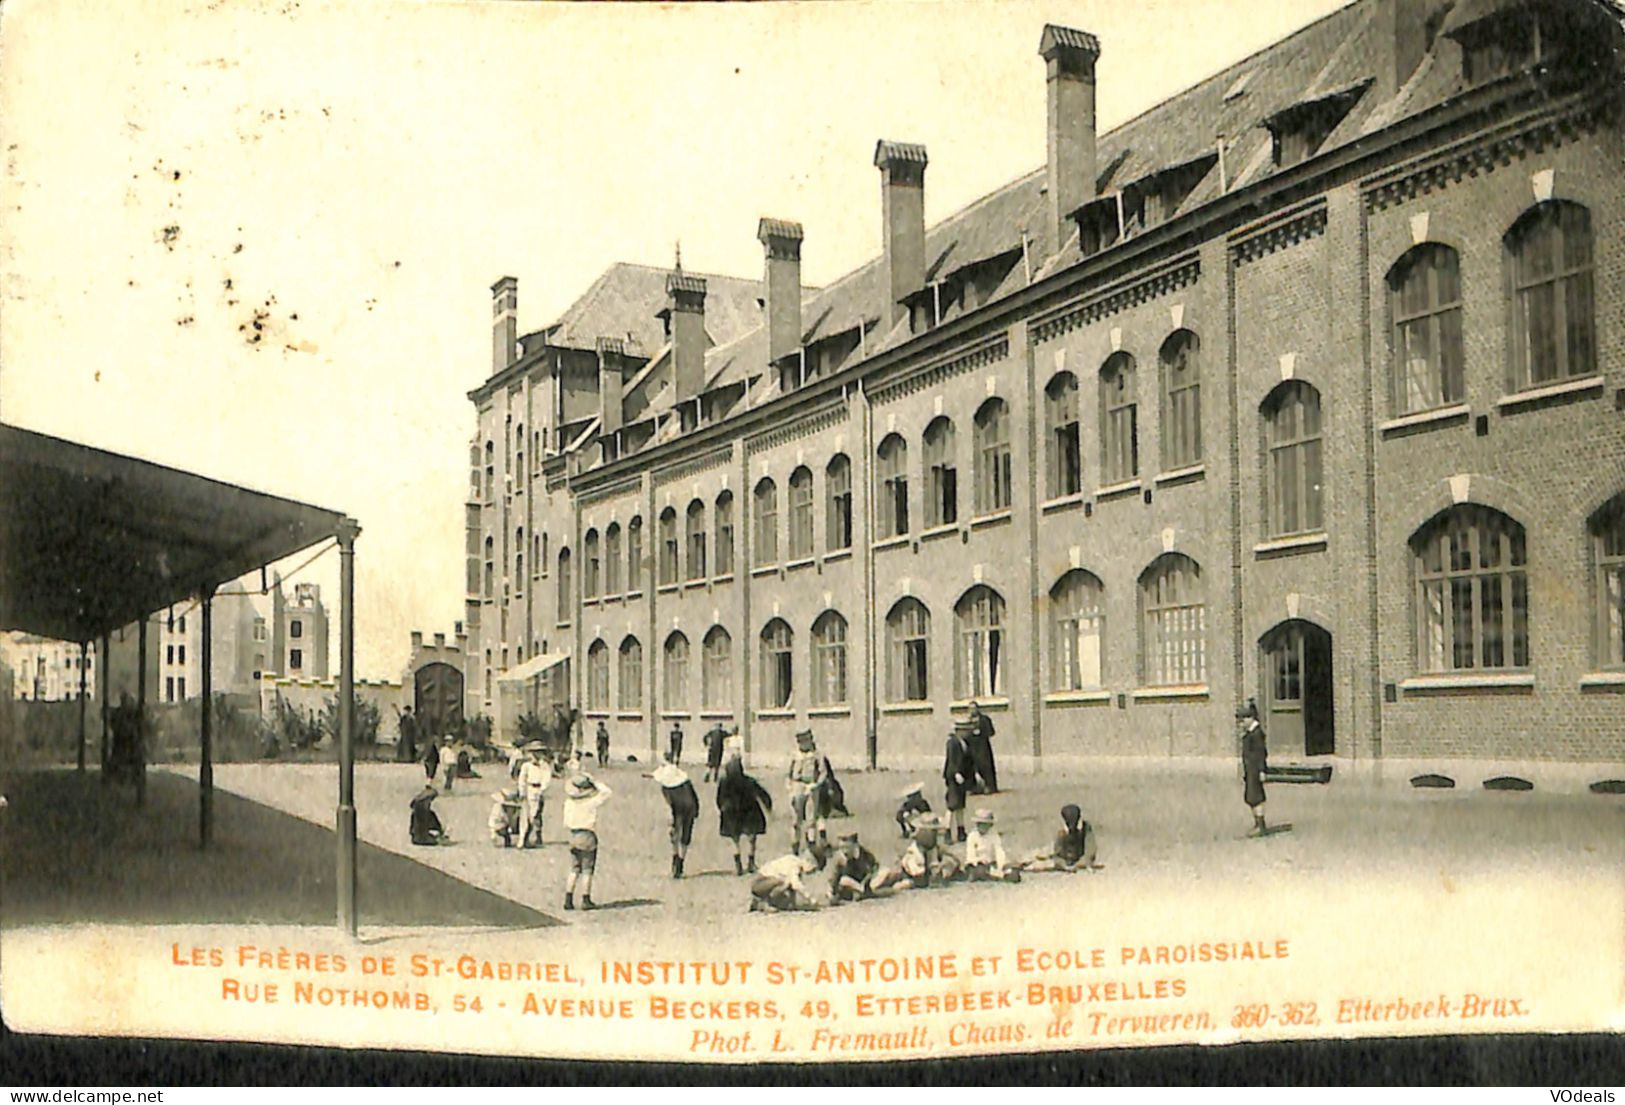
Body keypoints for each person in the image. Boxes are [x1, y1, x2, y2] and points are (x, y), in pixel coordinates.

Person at [561, 772, 612, 911]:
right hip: (587, 835)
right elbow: (607, 792)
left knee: (574, 869)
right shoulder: (591, 802)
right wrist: (594, 780)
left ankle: (568, 899)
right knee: (587, 869)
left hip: (573, 835)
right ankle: (585, 899)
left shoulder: (568, 802)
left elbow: (565, 822)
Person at [645, 752, 700, 878]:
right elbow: (694, 796)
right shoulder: (684, 779)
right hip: (689, 807)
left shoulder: (666, 788)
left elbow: (668, 804)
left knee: (674, 833)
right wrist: (697, 810)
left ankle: (675, 858)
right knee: (686, 835)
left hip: (677, 808)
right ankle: (680, 862)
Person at [717, 754, 773, 875]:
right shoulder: (748, 781)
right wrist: (769, 807)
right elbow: (762, 794)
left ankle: (738, 865)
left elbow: (719, 798)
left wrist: (722, 809)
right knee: (751, 837)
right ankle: (751, 862)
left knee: (734, 839)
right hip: (749, 811)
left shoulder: (724, 782)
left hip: (731, 812)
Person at [786, 730, 828, 855]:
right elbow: (788, 772)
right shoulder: (794, 755)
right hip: (797, 785)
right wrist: (789, 786)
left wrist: (816, 784)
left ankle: (811, 849)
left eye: (805, 741)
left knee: (811, 820)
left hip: (811, 786)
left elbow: (823, 772)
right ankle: (795, 849)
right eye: (800, 742)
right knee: (795, 820)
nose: (803, 745)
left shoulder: (817, 754)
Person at [1026, 803, 1100, 872]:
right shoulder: (1061, 831)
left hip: (1072, 860)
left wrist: (1078, 865)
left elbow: (1090, 852)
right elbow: (1056, 852)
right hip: (1059, 857)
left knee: (1040, 864)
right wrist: (1064, 865)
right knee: (1036, 855)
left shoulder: (1085, 828)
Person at [828, 830, 890, 903]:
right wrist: (830, 893)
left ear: (855, 845)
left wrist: (870, 879)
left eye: (847, 847)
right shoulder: (840, 859)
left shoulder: (865, 855)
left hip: (867, 883)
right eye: (841, 848)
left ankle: (866, 892)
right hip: (850, 886)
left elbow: (874, 869)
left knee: (885, 872)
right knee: (844, 880)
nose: (844, 851)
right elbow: (833, 879)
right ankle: (863, 893)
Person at [749, 852, 822, 913]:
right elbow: (796, 885)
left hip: (764, 882)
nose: (812, 872)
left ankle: (767, 902)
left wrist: (792, 904)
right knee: (783, 882)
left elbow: (793, 888)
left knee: (786, 884)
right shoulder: (794, 864)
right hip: (760, 883)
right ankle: (764, 903)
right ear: (807, 861)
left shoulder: (795, 865)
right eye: (813, 869)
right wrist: (810, 898)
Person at [963, 808, 1021, 882]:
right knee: (979, 871)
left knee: (1012, 872)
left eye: (986, 825)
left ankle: (1001, 875)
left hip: (990, 864)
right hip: (975, 865)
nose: (984, 827)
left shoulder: (993, 835)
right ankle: (994, 875)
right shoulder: (972, 836)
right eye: (981, 824)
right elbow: (970, 856)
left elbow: (999, 851)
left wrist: (1001, 865)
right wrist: (979, 860)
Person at [1239, 699, 1270, 836]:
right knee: (1250, 796)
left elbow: (1261, 753)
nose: (1242, 723)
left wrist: (1262, 770)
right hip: (1249, 769)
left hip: (1255, 769)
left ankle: (1261, 825)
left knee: (1256, 796)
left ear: (1251, 718)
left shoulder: (1256, 734)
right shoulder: (1249, 733)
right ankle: (1257, 823)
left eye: (1244, 719)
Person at [942, 719, 974, 843]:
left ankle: (961, 830)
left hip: (962, 778)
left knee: (960, 806)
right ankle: (947, 831)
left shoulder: (964, 743)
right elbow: (951, 761)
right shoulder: (952, 743)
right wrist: (956, 773)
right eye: (965, 730)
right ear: (959, 730)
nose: (968, 732)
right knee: (952, 806)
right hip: (954, 778)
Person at [518, 741, 553, 848]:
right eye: (534, 752)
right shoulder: (526, 766)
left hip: (539, 790)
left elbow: (547, 778)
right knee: (527, 815)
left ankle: (537, 836)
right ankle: (524, 838)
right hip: (529, 789)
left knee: (537, 814)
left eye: (539, 752)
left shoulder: (545, 766)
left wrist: (542, 789)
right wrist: (522, 791)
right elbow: (522, 779)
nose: (536, 755)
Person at [966, 700, 999, 794]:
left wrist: (982, 733)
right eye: (970, 709)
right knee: (971, 767)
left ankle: (990, 786)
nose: (972, 711)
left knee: (986, 767)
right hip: (972, 748)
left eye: (974, 708)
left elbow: (991, 732)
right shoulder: (968, 722)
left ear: (978, 709)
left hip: (983, 748)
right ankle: (974, 787)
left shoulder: (984, 719)